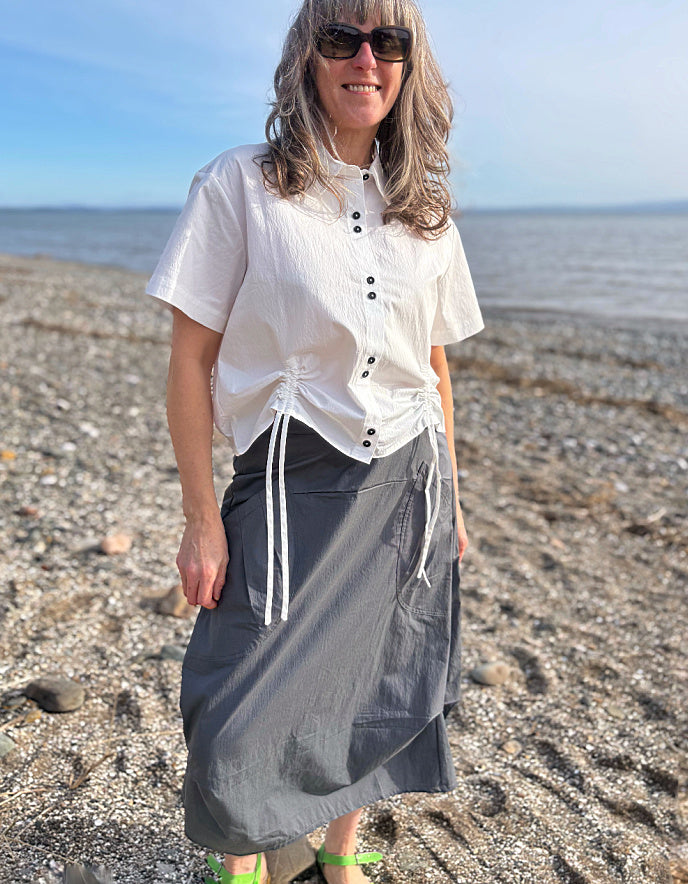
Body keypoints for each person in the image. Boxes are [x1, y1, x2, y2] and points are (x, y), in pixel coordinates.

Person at [146, 0, 484, 882]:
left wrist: (457, 500)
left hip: (410, 475)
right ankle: (246, 857)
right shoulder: (241, 184)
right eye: (342, 38)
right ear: (308, 55)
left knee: (376, 679)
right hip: (289, 476)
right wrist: (199, 517)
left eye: (387, 42)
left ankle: (340, 856)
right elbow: (191, 363)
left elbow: (434, 366)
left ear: (410, 66)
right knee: (236, 692)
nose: (364, 59)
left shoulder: (428, 210)